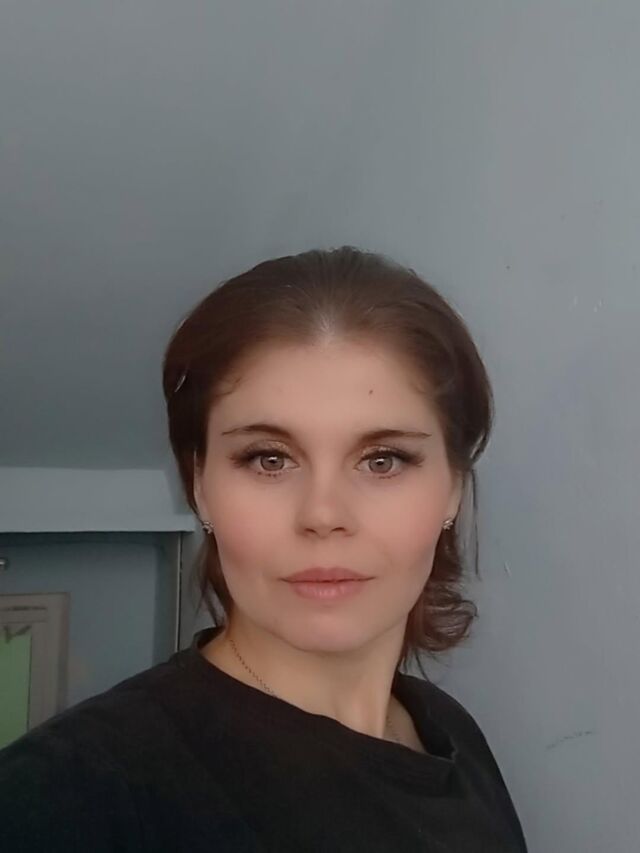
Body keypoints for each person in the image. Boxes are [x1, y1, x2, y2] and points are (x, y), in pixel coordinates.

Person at [0, 246, 528, 851]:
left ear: (453, 488)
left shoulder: (451, 732)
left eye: (383, 460)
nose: (323, 516)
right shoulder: (64, 798)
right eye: (269, 459)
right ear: (199, 485)